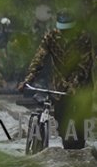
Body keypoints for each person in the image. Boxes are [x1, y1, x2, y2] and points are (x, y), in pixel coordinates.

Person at [20, 10, 95, 149]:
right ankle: (69, 151)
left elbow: (83, 66)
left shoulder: (83, 38)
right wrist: (29, 78)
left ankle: (79, 151)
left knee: (78, 127)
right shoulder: (51, 37)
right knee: (61, 121)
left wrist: (73, 85)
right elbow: (39, 58)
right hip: (59, 87)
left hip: (81, 87)